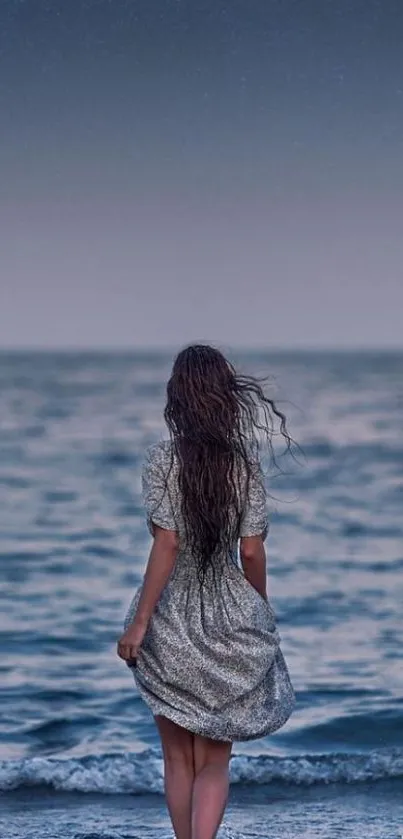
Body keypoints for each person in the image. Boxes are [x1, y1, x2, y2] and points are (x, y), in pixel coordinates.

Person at [117, 343, 297, 839]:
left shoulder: (162, 461)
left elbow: (167, 542)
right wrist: (256, 608)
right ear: (225, 398)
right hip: (229, 615)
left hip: (170, 617)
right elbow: (253, 552)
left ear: (177, 397)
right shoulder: (243, 465)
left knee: (177, 760)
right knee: (214, 763)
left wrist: (139, 622)